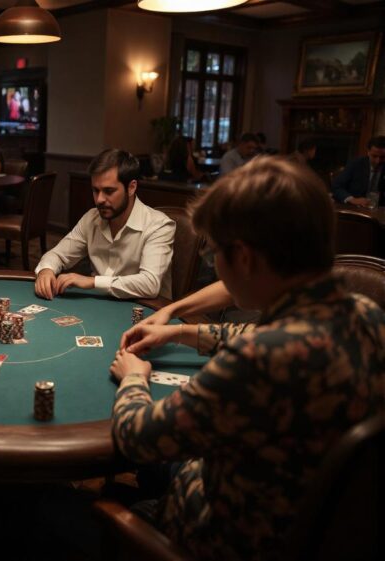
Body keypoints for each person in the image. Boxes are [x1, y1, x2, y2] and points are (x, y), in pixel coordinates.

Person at [110, 156, 385, 561]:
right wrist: (180, 331)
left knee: (102, 506)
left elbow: (135, 437)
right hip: (324, 525)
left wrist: (134, 377)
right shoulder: (367, 315)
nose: (215, 267)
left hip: (234, 538)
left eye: (214, 255)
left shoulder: (255, 360)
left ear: (244, 257)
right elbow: (259, 334)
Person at [35, 149, 175, 300]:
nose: (100, 199)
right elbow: (57, 255)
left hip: (148, 312)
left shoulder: (159, 226)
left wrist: (92, 282)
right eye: (96, 190)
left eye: (109, 191)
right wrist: (46, 270)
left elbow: (149, 284)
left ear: (131, 187)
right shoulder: (91, 219)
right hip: (101, 306)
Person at [331, 135, 385, 208]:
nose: (378, 161)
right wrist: (352, 199)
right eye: (374, 156)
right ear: (368, 152)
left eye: (382, 157)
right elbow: (336, 186)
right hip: (355, 209)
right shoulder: (356, 164)